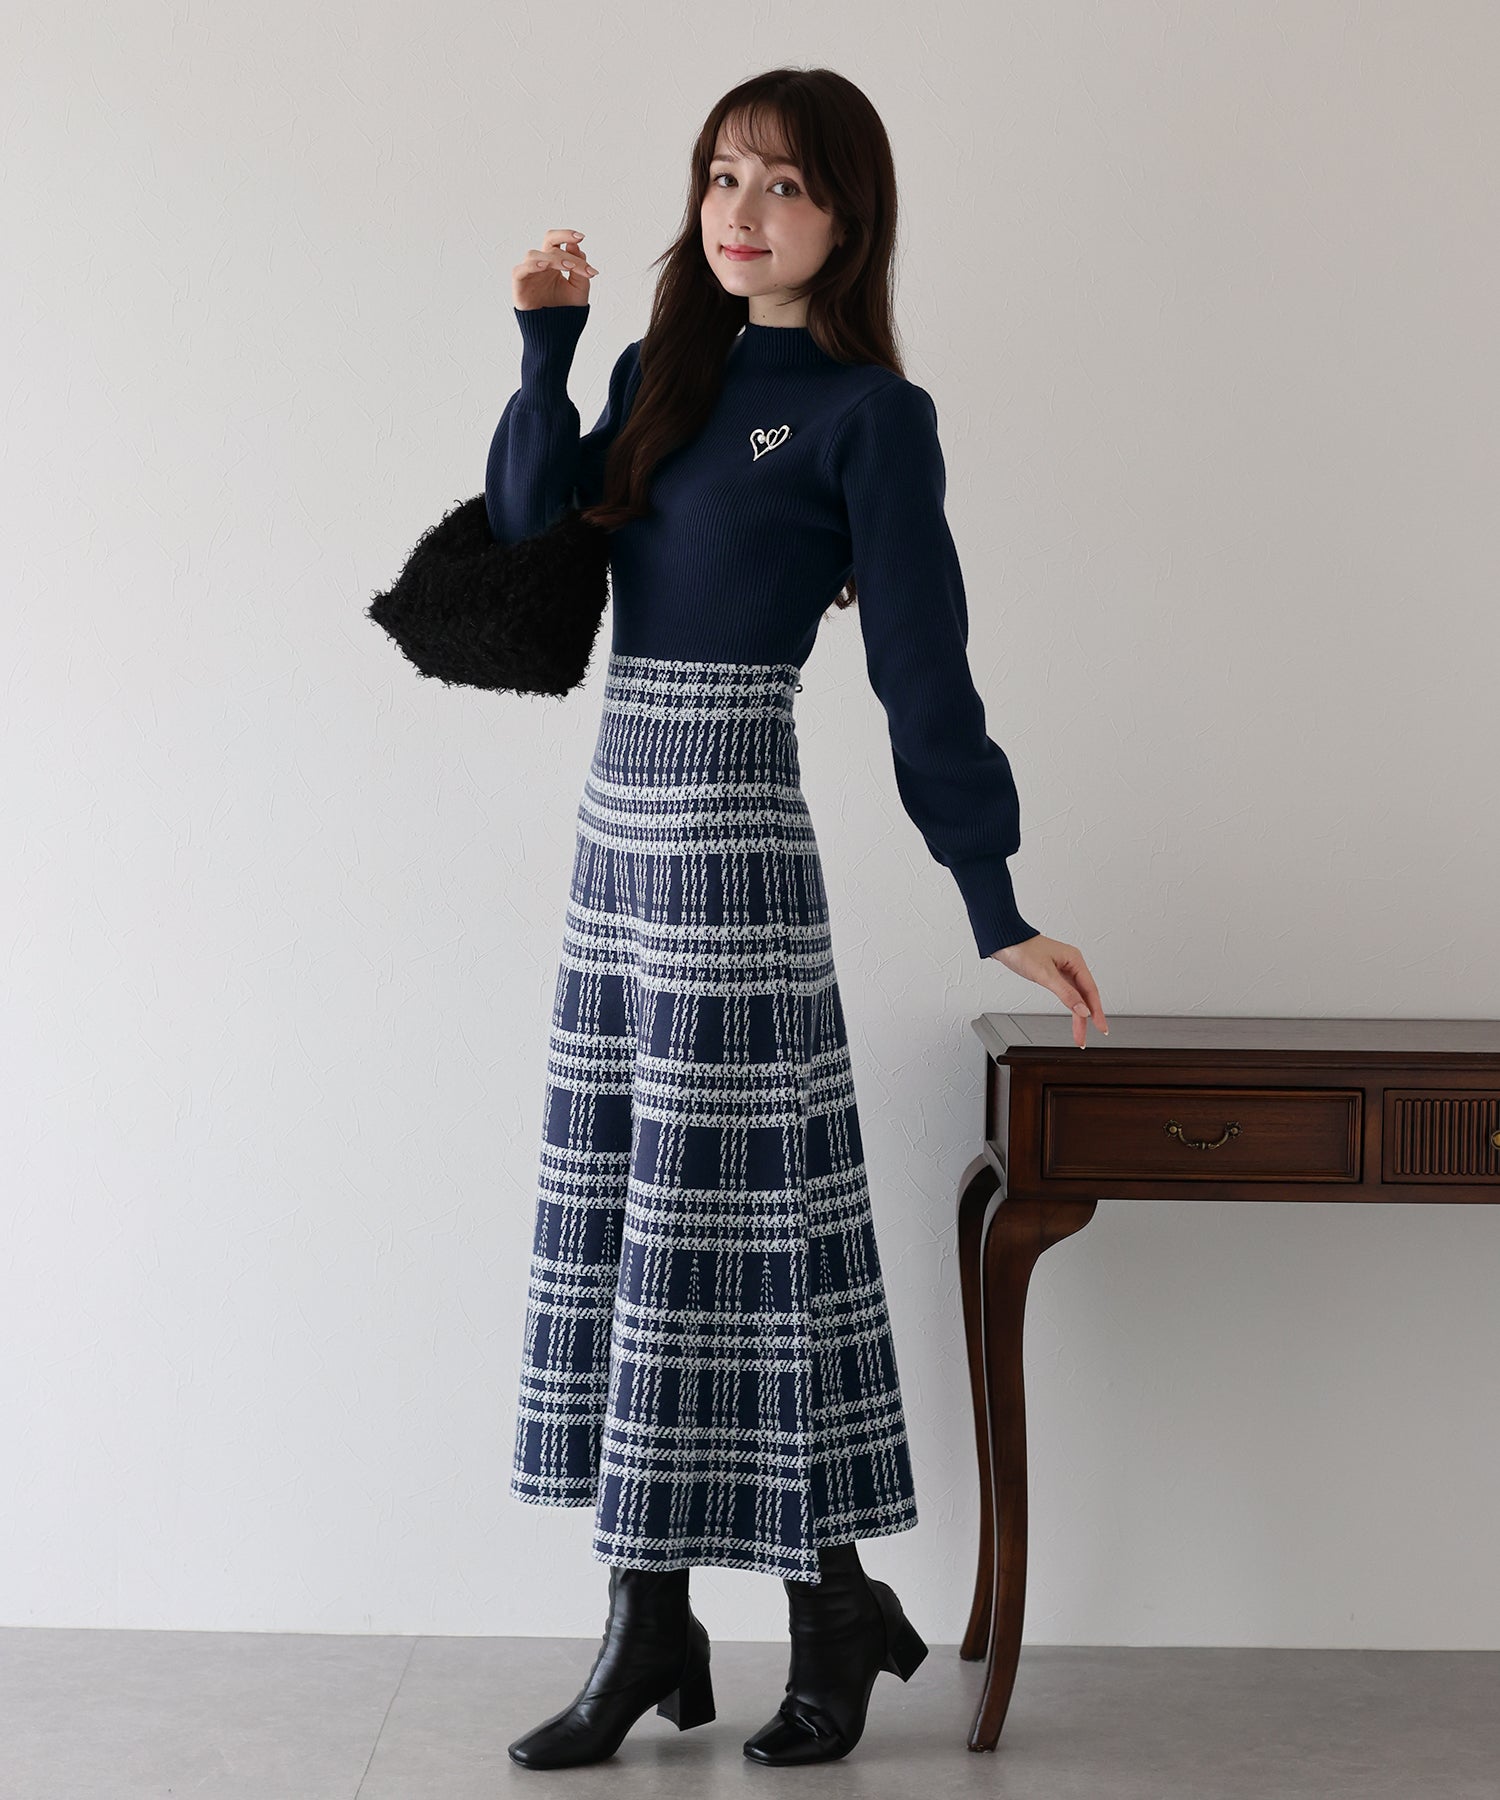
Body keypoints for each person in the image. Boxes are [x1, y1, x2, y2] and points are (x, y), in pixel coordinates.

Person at [495, 67, 1107, 1770]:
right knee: (636, 1226)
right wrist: (547, 347)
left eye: (781, 183)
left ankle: (809, 1608)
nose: (742, 211)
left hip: (731, 846)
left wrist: (992, 896)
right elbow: (531, 518)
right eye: (720, 176)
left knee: (746, 1238)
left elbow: (923, 664)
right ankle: (661, 1618)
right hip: (617, 841)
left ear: (849, 214)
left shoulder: (868, 417)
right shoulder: (658, 375)